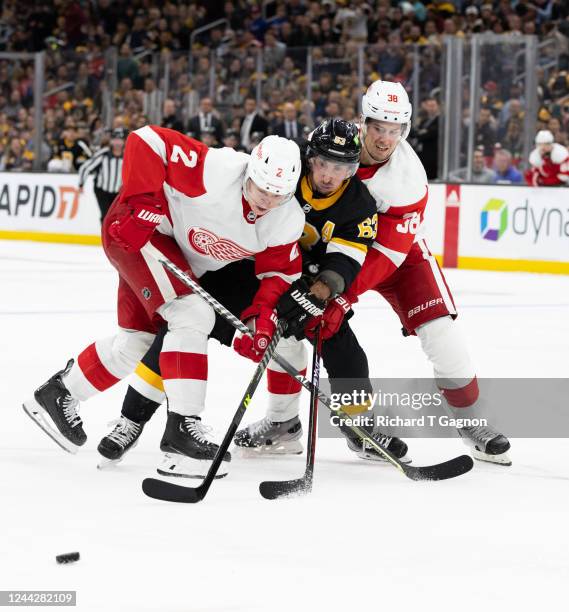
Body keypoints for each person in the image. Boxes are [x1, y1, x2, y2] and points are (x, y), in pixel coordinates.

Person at [95, 119, 409, 466]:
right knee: (184, 322)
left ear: (352, 170)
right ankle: (132, 419)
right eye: (322, 164)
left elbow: (349, 258)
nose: (328, 176)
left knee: (340, 341)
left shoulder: (359, 204)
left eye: (340, 168)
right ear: (309, 158)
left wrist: (320, 294)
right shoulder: (282, 172)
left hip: (309, 285)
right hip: (250, 273)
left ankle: (355, 427)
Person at [23, 128, 305, 479]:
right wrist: (142, 201)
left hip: (172, 259)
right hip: (139, 231)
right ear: (249, 172)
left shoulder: (287, 218)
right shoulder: (217, 169)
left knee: (137, 344)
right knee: (192, 314)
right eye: (262, 188)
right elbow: (146, 139)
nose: (267, 201)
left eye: (278, 195)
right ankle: (181, 432)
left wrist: (259, 317)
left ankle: (59, 392)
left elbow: (278, 274)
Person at [312, 80, 511, 465]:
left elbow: (386, 254)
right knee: (297, 317)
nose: (386, 139)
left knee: (442, 333)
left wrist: (341, 294)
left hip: (396, 257)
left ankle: (471, 421)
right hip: (334, 247)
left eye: (395, 130)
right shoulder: (332, 144)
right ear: (362, 121)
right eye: (378, 128)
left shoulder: (408, 179)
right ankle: (283, 421)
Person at [78, 128, 127, 222]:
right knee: (105, 216)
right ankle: (105, 236)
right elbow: (86, 167)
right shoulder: (103, 154)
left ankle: (113, 236)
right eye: (114, 139)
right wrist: (81, 184)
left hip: (118, 193)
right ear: (111, 141)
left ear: (124, 141)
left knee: (117, 217)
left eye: (120, 140)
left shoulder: (127, 155)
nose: (117, 142)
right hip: (102, 191)